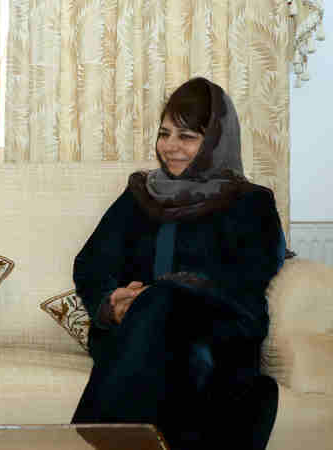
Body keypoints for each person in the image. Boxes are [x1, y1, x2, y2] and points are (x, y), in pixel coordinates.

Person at [70, 77, 283, 450]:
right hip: (134, 332)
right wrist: (112, 302)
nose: (170, 147)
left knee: (165, 308)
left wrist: (165, 294)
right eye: (164, 134)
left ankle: (93, 436)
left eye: (186, 137)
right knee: (156, 318)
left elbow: (246, 279)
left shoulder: (251, 203)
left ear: (216, 142)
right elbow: (91, 263)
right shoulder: (141, 194)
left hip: (218, 331)